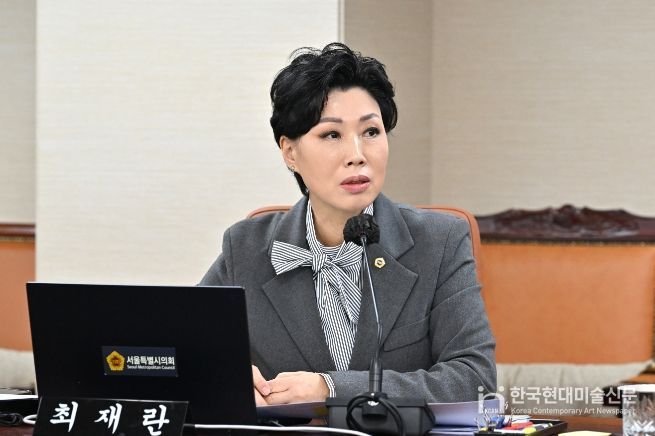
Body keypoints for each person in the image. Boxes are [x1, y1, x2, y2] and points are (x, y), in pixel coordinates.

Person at [200, 43, 496, 406]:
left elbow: (474, 379)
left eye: (371, 132)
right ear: (290, 152)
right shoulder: (246, 249)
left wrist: (331, 388)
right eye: (331, 135)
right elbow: (180, 352)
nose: (357, 155)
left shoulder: (440, 241)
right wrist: (223, 375)